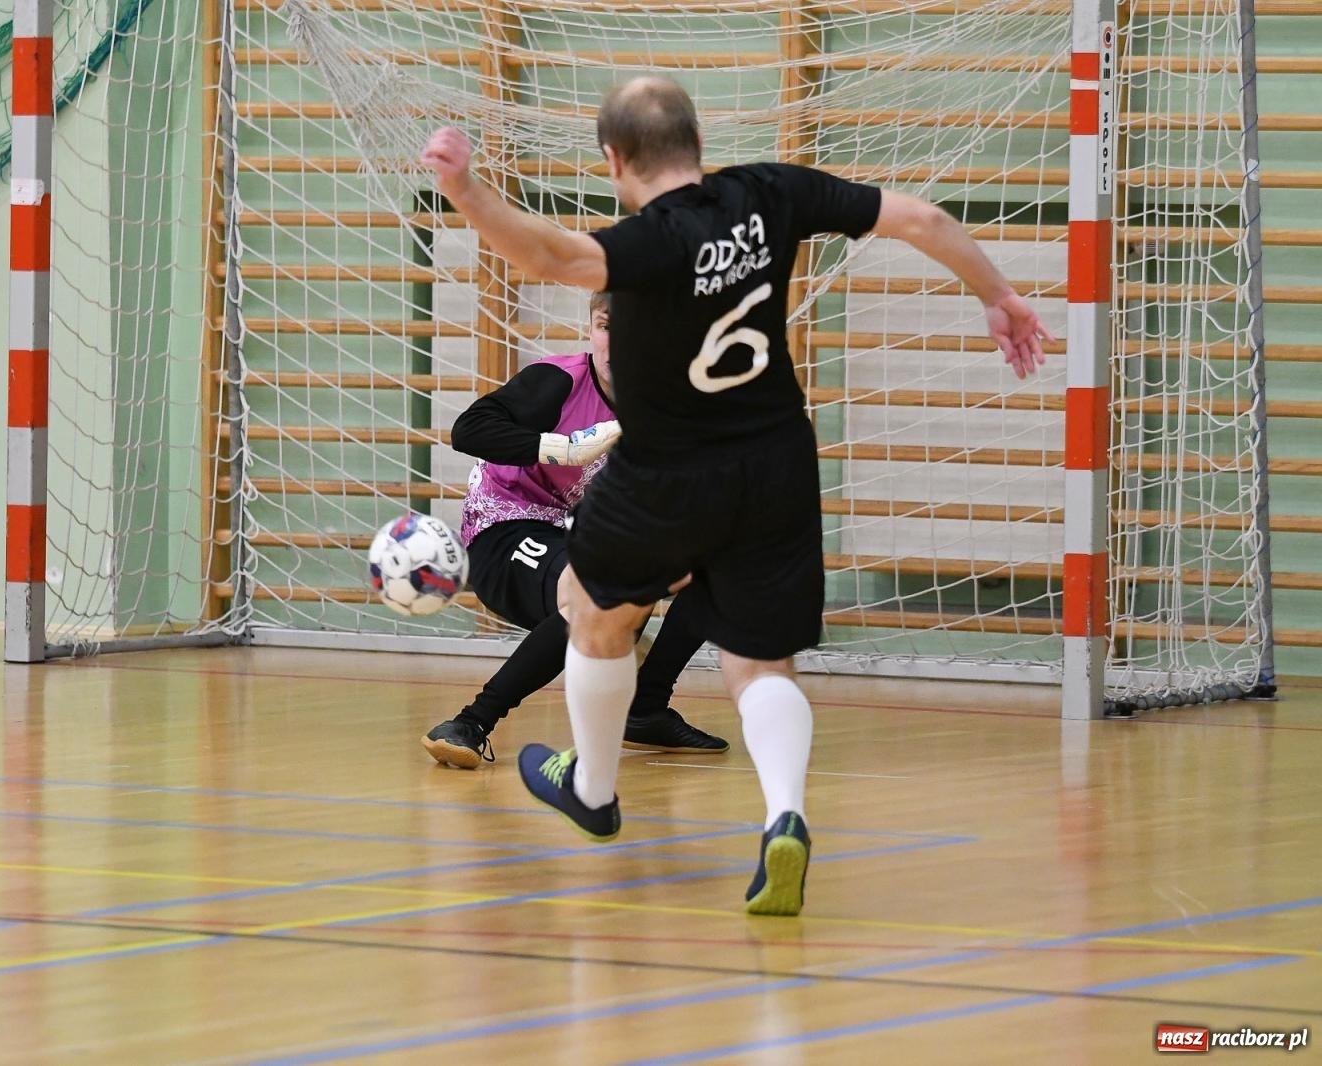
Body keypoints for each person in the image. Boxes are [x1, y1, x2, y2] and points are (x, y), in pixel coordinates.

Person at [420, 76, 1050, 915]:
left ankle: (594, 789)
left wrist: (465, 189)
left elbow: (549, 256)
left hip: (667, 470)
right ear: (697, 144)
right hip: (777, 461)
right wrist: (998, 296)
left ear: (613, 159)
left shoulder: (647, 242)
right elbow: (923, 220)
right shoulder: (770, 193)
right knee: (759, 664)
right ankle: (784, 815)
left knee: (589, 608)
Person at [423, 291, 728, 769]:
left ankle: (646, 707)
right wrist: (562, 449)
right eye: (605, 326)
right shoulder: (559, 382)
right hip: (504, 529)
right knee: (599, 589)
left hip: (573, 535)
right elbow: (468, 430)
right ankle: (472, 722)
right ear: (591, 328)